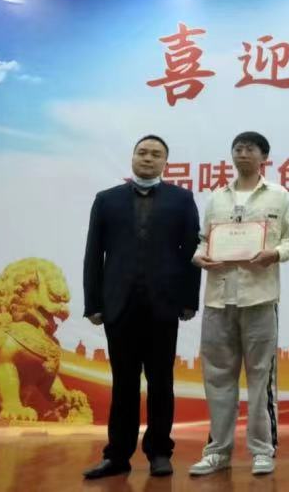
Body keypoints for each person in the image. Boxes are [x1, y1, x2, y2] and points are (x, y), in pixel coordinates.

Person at [81, 135, 200, 480]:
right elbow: (94, 254)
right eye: (142, 152)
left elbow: (191, 252)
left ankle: (160, 452)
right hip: (119, 306)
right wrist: (93, 303)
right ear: (132, 157)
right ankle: (117, 455)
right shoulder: (107, 200)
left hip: (163, 306)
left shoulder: (181, 199)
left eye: (156, 154)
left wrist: (189, 300)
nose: (148, 158)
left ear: (165, 162)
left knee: (161, 382)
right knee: (124, 383)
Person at [189, 131, 289, 477]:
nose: (242, 153)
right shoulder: (216, 198)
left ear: (263, 157)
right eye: (237, 148)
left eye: (249, 149)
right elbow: (204, 240)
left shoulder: (279, 195)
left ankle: (262, 450)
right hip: (218, 299)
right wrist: (199, 257)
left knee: (260, 378)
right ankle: (218, 451)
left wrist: (276, 254)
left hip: (259, 298)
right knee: (217, 377)